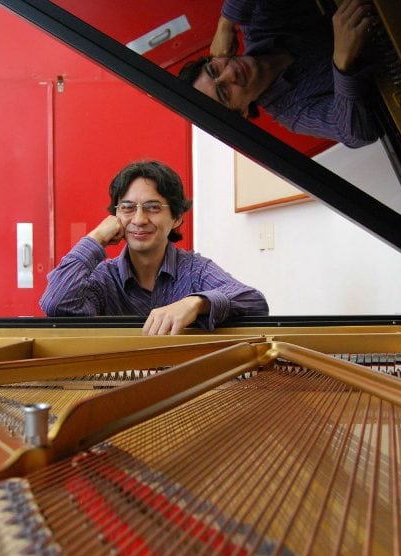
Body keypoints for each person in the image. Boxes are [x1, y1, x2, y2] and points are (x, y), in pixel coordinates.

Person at [40, 160, 269, 335]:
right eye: (127, 208)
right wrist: (96, 238)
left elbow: (254, 303)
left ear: (176, 218)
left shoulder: (195, 270)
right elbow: (56, 303)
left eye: (153, 207)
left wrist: (196, 303)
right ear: (115, 216)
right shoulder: (104, 279)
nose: (139, 219)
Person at [178, 0, 380, 148]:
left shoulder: (258, 23)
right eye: (224, 92)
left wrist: (226, 23)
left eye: (214, 70)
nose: (230, 72)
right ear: (242, 112)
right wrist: (342, 63)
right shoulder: (293, 112)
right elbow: (357, 134)